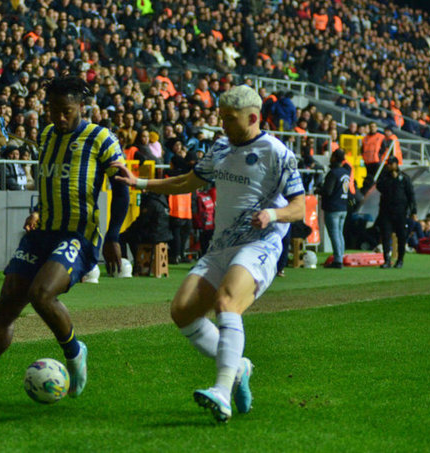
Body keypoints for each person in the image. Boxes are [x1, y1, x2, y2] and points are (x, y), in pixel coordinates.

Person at [0, 76, 129, 408]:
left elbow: (122, 188)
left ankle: (75, 351)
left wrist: (113, 236)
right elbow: (51, 180)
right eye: (53, 110)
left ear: (81, 107)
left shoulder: (101, 138)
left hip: (78, 235)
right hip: (41, 233)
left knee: (41, 294)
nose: (59, 117)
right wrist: (38, 211)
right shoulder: (48, 135)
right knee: (7, 303)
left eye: (66, 111)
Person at [114, 85, 305, 422]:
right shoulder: (220, 147)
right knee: (182, 311)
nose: (223, 125)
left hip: (260, 244)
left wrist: (272, 215)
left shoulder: (276, 152)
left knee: (226, 302)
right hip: (221, 245)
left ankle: (222, 391)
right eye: (221, 118)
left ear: (253, 118)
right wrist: (140, 184)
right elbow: (187, 181)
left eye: (230, 119)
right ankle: (238, 367)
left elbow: (299, 207)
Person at [376, 156, 416, 269]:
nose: (388, 166)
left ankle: (400, 260)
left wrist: (413, 211)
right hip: (386, 211)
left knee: (401, 236)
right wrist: (390, 179)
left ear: (396, 164)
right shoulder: (384, 177)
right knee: (386, 236)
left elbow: (411, 195)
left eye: (390, 164)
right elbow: (379, 187)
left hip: (400, 212)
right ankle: (387, 260)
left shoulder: (404, 178)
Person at [319, 150, 350, 269]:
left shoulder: (333, 173)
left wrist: (319, 190)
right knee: (340, 233)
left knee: (335, 234)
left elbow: (328, 191)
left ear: (334, 158)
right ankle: (340, 257)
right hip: (343, 205)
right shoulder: (345, 172)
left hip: (333, 207)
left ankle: (338, 260)